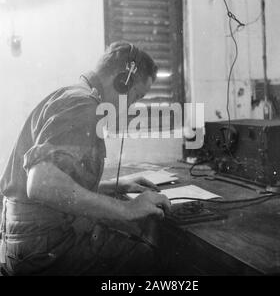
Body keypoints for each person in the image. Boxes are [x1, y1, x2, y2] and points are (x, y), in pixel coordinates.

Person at [0, 41, 171, 276]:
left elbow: (59, 180)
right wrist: (128, 209)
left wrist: (114, 186)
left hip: (26, 243)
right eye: (136, 96)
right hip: (44, 246)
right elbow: (41, 185)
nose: (131, 105)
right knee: (143, 255)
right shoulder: (82, 106)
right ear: (123, 82)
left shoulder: (70, 95)